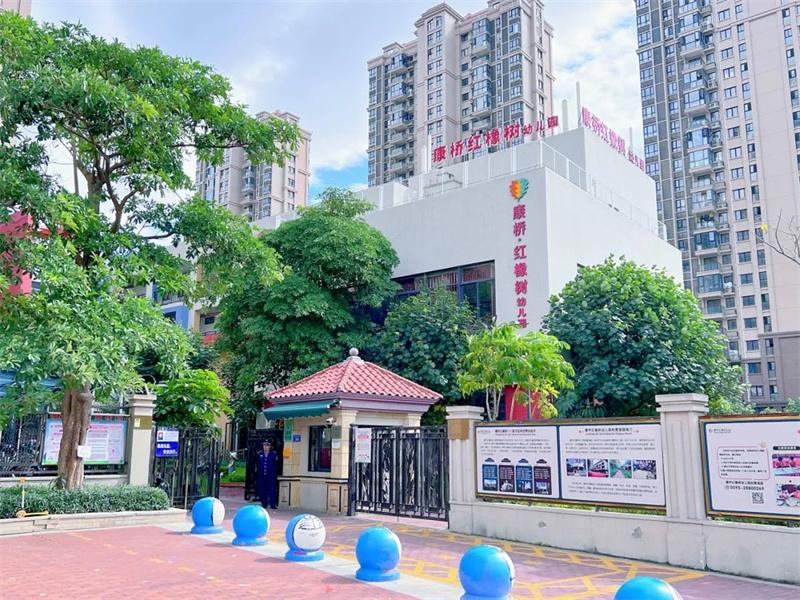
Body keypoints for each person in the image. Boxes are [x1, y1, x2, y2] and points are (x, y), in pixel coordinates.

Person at [257, 440, 278, 509]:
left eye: (267, 445)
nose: (265, 447)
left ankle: (272, 504)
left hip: (270, 475)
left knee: (271, 490)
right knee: (262, 489)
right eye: (264, 445)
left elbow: (276, 464)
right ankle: (264, 503)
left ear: (270, 446)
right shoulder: (260, 454)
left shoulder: (273, 454)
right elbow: (257, 463)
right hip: (262, 475)